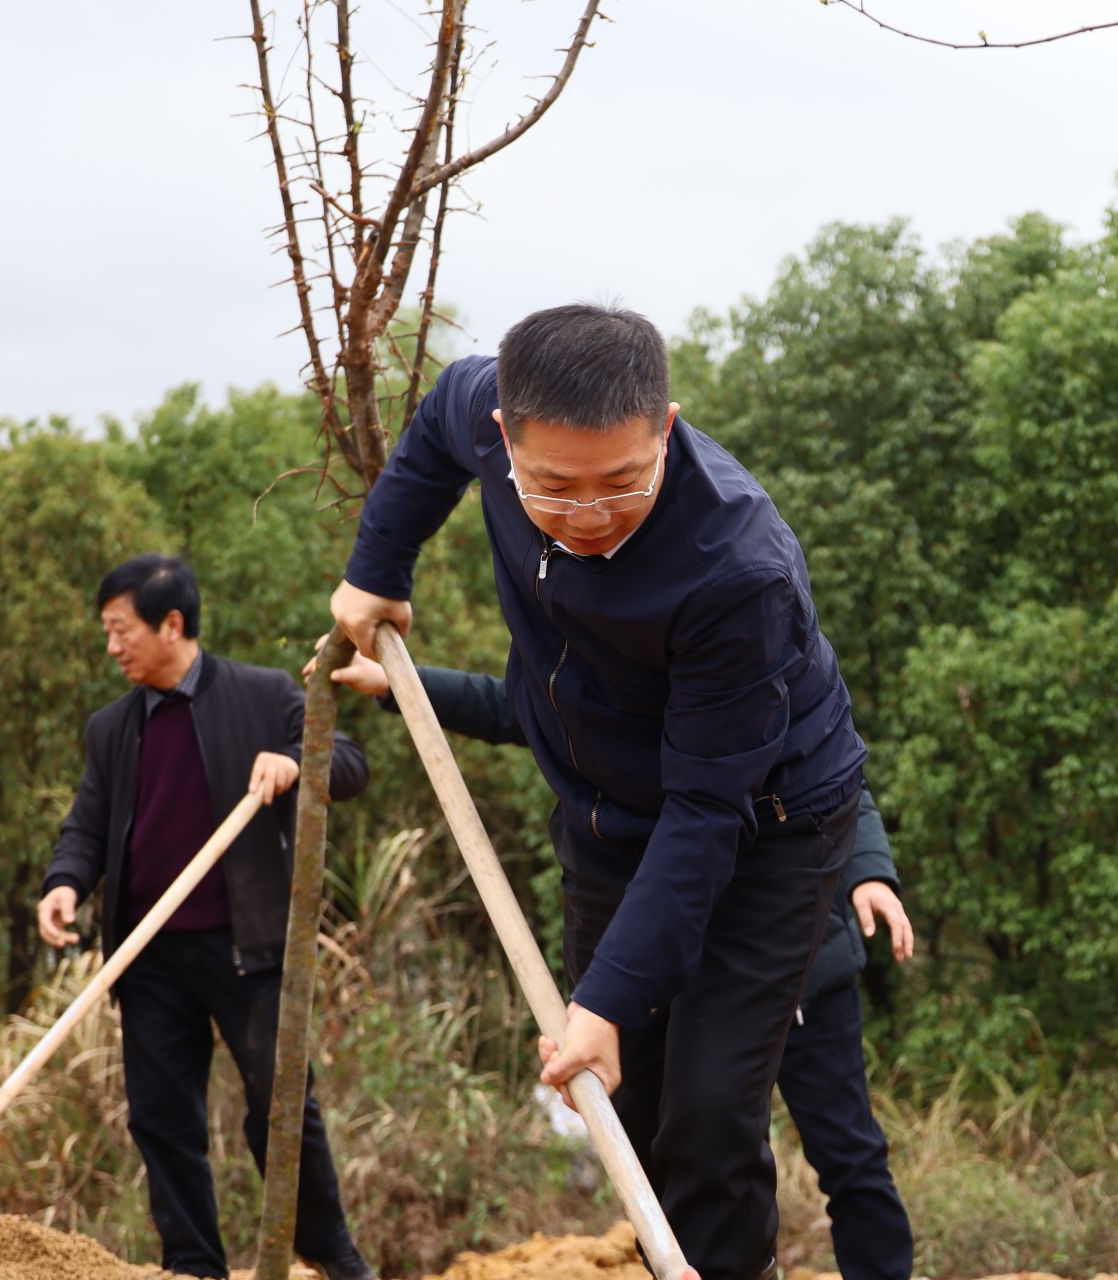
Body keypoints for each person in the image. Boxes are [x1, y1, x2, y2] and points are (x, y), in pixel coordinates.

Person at [327, 304, 868, 1280]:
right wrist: (377, 569)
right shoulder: (476, 409)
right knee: (636, 1104)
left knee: (707, 1111)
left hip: (767, 825)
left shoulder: (737, 570)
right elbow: (427, 438)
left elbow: (708, 811)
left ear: (667, 425)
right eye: (551, 486)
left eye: (622, 480)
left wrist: (607, 999)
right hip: (605, 809)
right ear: (506, 437)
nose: (589, 514)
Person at [325, 657, 919, 1280]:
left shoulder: (744, 633)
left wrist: (869, 871)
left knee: (848, 1151)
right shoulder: (614, 672)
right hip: (678, 961)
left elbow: (827, 765)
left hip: (798, 956)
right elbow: (520, 707)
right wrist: (404, 681)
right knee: (683, 1146)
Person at [38, 555, 374, 1280]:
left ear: (173, 624)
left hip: (248, 948)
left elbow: (349, 763)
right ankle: (193, 1267)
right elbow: (88, 824)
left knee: (281, 1113)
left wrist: (295, 761)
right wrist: (65, 882)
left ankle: (332, 1258)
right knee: (162, 1119)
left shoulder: (261, 694)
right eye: (107, 632)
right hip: (150, 956)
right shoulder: (112, 729)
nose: (112, 647)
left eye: (120, 630)